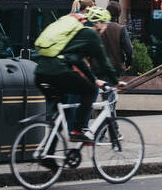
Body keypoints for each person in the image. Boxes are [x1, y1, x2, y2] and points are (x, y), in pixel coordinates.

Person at [33, 8, 120, 143]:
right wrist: (115, 81)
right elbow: (103, 61)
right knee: (90, 90)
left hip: (41, 73)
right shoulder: (91, 34)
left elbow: (77, 60)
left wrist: (95, 79)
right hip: (57, 71)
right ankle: (78, 130)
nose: (105, 27)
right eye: (105, 24)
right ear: (98, 23)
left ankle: (47, 155)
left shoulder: (76, 33)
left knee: (59, 118)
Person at [98, 1, 134, 73]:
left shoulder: (97, 26)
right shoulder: (120, 29)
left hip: (98, 66)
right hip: (115, 66)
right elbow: (129, 49)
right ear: (119, 14)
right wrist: (128, 64)